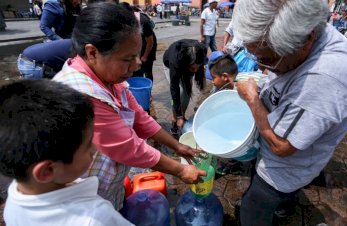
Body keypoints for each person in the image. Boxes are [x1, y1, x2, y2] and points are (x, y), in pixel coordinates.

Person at [53, 3, 206, 211]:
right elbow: (131, 148)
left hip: (106, 187)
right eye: (127, 58)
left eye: (137, 55)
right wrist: (180, 170)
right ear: (92, 52)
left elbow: (141, 119)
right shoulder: (80, 94)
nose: (137, 65)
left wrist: (177, 146)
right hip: (83, 200)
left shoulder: (109, 77)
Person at [233, 0, 347, 225]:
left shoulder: (324, 80)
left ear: (307, 39)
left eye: (268, 59)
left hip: (283, 170)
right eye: (256, 56)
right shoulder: (307, 29)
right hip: (285, 155)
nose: (263, 65)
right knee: (280, 198)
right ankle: (283, 206)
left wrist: (253, 99)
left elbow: (282, 147)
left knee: (252, 210)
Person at [0, 80, 134, 226]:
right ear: (47, 170)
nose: (95, 148)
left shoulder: (15, 195)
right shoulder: (95, 217)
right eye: (88, 144)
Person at [162, 39, 208, 137]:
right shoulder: (176, 60)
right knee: (179, 92)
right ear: (187, 64)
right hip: (170, 65)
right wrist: (178, 115)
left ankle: (182, 116)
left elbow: (198, 68)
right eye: (193, 68)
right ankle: (175, 120)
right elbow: (174, 89)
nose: (195, 71)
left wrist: (193, 69)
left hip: (186, 65)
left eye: (197, 68)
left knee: (187, 94)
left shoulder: (201, 51)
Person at [121, 3, 157, 82]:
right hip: (137, 44)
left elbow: (150, 41)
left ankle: (147, 92)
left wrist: (145, 56)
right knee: (136, 68)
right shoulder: (125, 19)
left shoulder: (142, 21)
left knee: (147, 69)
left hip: (148, 45)